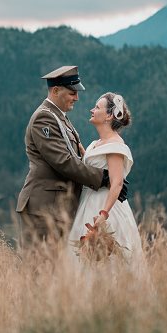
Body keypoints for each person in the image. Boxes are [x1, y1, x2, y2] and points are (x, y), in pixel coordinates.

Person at [16, 66, 126, 246]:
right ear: (56, 90)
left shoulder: (60, 118)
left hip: (57, 207)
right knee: (39, 268)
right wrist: (103, 177)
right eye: (72, 92)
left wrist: (112, 177)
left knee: (55, 268)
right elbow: (63, 161)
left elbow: (78, 156)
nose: (77, 97)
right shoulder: (44, 119)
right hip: (43, 208)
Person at [66, 92, 145, 272]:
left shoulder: (116, 146)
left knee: (107, 262)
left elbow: (116, 183)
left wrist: (103, 214)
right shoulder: (96, 144)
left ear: (109, 116)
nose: (92, 110)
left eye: (97, 107)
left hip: (105, 207)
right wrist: (80, 149)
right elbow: (94, 165)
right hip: (88, 202)